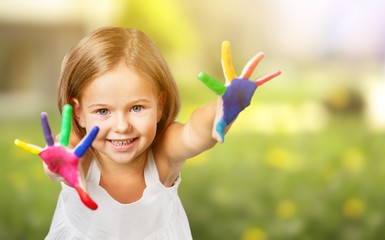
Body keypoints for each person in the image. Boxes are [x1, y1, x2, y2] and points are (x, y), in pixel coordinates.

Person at [41, 26, 280, 239]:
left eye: (136, 108)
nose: (122, 126)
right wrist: (56, 167)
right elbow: (62, 165)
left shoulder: (163, 154)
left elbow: (194, 132)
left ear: (160, 106)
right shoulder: (80, 154)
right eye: (103, 111)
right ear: (80, 113)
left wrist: (223, 108)